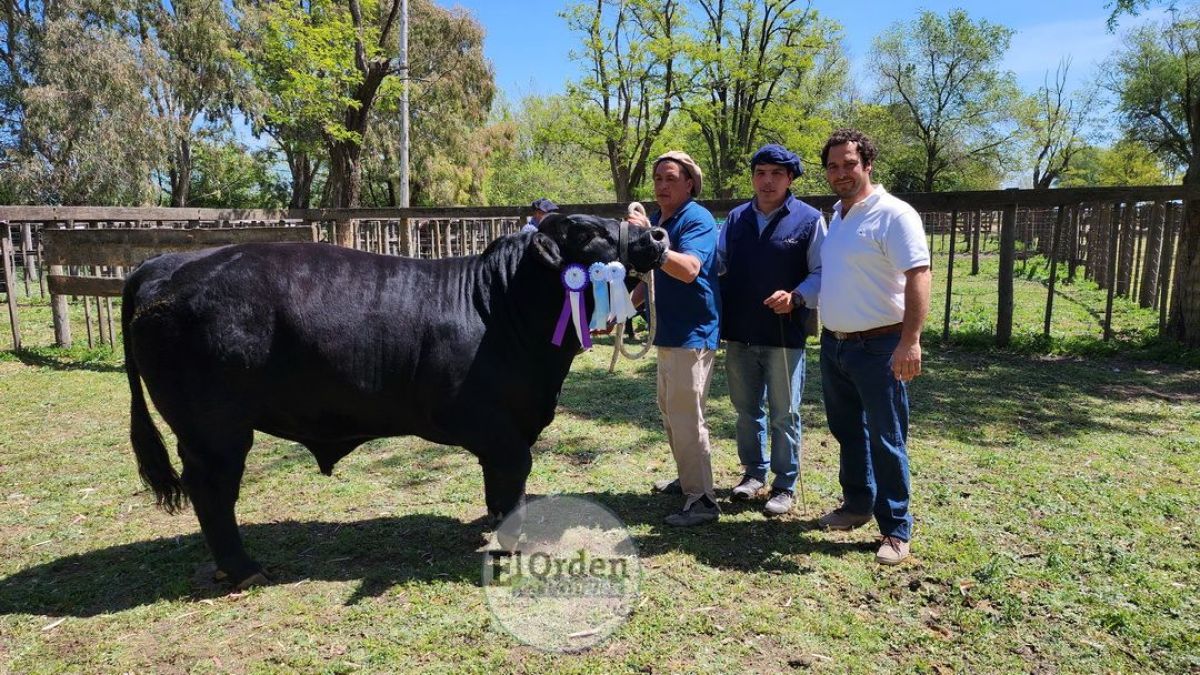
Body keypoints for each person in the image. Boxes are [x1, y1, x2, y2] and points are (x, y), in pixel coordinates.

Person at [815, 128, 931, 565]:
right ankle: (857, 504)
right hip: (836, 345)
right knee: (848, 431)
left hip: (881, 345)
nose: (841, 173)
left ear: (867, 164)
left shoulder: (894, 214)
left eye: (849, 164)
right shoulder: (838, 216)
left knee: (886, 437)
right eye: (833, 166)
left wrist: (910, 341)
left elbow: (919, 274)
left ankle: (896, 529)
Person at [718, 144, 825, 517]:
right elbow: (719, 263)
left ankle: (784, 484)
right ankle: (753, 473)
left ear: (790, 178)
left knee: (784, 413)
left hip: (785, 334)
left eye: (776, 174)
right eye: (760, 173)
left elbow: (822, 271)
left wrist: (797, 296)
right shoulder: (736, 219)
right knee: (746, 410)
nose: (767, 181)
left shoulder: (810, 219)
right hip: (740, 332)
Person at [629, 151, 722, 527]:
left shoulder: (697, 219)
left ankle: (703, 501)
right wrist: (621, 310)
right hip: (667, 332)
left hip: (692, 333)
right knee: (671, 413)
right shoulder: (657, 220)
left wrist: (651, 243)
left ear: (689, 184)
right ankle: (688, 481)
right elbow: (648, 278)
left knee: (687, 418)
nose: (662, 185)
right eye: (657, 178)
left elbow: (690, 269)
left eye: (670, 178)